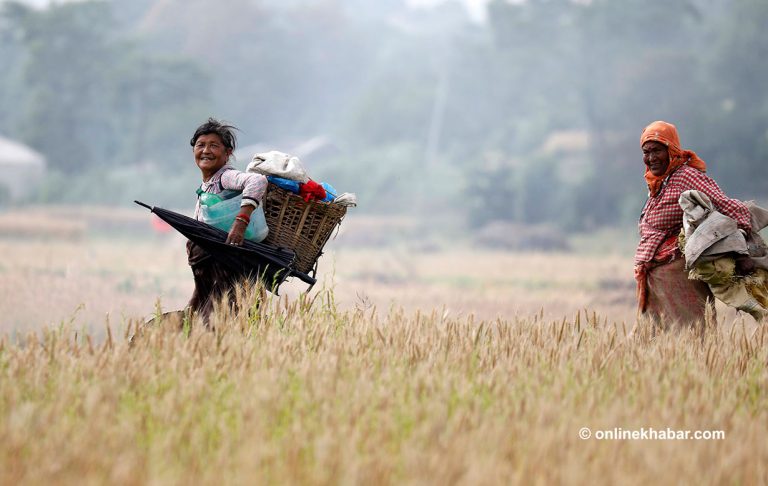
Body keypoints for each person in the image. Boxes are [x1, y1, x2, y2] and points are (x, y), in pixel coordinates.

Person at [635, 120, 753, 328]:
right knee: (653, 347)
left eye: (657, 151)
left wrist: (742, 251)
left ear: (671, 149)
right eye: (646, 152)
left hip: (680, 276)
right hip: (655, 279)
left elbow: (728, 206)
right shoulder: (659, 181)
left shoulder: (686, 176)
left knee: (692, 337)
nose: (651, 158)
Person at [186, 118, 268, 322]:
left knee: (217, 327)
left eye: (214, 145)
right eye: (200, 145)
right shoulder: (206, 186)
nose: (206, 150)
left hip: (231, 281)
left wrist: (241, 222)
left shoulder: (225, 177)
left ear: (227, 153)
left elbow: (257, 180)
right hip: (212, 284)